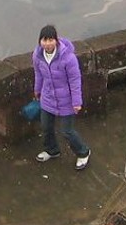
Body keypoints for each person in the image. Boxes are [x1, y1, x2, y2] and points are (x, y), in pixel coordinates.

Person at [32, 24, 91, 171]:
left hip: (66, 101)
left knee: (67, 131)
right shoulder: (37, 56)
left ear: (56, 40)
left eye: (50, 39)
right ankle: (52, 150)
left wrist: (77, 102)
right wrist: (37, 90)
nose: (47, 43)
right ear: (40, 41)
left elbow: (75, 80)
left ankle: (83, 152)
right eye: (44, 40)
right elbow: (38, 74)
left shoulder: (68, 58)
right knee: (46, 126)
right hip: (48, 98)